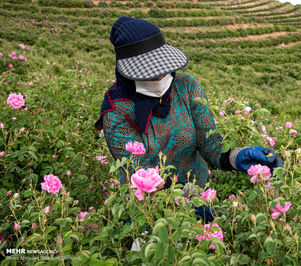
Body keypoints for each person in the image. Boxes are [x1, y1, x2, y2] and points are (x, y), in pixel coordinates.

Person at [95, 16, 282, 193]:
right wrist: (183, 196)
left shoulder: (185, 86)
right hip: (149, 210)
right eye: (151, 73)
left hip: (200, 194)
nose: (161, 77)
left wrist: (236, 157)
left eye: (163, 68)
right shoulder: (117, 110)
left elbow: (208, 141)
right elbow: (140, 172)